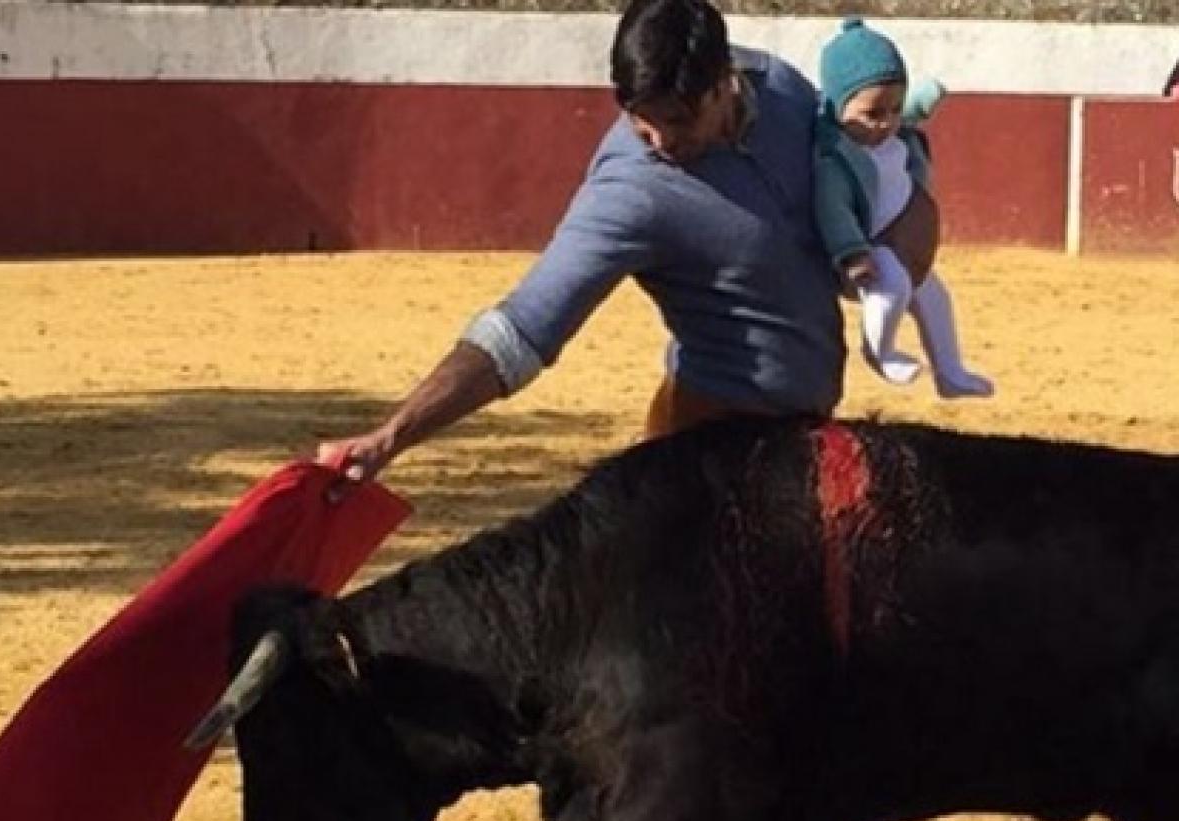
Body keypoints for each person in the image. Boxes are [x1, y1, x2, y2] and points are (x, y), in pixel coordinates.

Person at [316, 0, 940, 486]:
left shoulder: (779, 87)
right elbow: (523, 329)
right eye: (641, 117)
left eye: (677, 119)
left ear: (725, 82)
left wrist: (910, 215)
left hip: (804, 438)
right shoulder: (630, 192)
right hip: (706, 453)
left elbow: (858, 181)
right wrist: (393, 435)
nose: (659, 139)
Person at [813, 18, 992, 398]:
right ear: (837, 106)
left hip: (905, 250)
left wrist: (928, 95)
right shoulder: (835, 159)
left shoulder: (891, 130)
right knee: (892, 284)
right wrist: (852, 252)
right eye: (872, 114)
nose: (886, 124)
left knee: (934, 296)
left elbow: (906, 110)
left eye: (894, 110)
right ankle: (881, 351)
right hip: (868, 254)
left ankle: (950, 372)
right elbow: (833, 210)